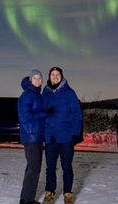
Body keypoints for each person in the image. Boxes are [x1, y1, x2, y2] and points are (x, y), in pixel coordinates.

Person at [42, 66, 82, 204]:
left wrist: (76, 134)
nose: (55, 77)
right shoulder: (45, 93)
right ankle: (49, 192)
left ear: (61, 76)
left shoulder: (69, 93)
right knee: (50, 167)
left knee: (67, 166)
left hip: (66, 137)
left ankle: (68, 194)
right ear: (49, 76)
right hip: (50, 137)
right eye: (52, 74)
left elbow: (77, 115)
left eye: (57, 74)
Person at [18, 69, 47, 204]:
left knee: (32, 168)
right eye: (35, 78)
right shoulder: (27, 95)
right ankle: (26, 200)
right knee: (34, 169)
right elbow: (26, 117)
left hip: (37, 136)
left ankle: (26, 198)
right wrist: (45, 114)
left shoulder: (37, 95)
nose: (38, 80)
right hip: (31, 136)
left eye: (40, 78)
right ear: (30, 80)